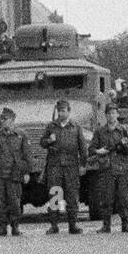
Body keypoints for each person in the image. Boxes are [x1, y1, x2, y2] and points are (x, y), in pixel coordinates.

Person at [41, 97, 87, 235]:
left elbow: (82, 147)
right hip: (55, 166)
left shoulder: (76, 127)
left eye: (64, 111)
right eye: (59, 111)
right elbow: (42, 143)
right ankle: (54, 225)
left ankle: (72, 225)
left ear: (69, 111)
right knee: (55, 195)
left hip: (71, 166)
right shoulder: (51, 126)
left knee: (72, 196)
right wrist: (50, 140)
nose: (61, 114)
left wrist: (83, 164)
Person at [90, 105, 128, 233]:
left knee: (123, 198)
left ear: (117, 114)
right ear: (106, 115)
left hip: (122, 168)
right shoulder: (100, 132)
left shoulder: (124, 130)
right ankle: (106, 225)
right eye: (109, 113)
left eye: (114, 113)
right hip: (107, 168)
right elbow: (91, 149)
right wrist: (101, 151)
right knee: (106, 197)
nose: (111, 116)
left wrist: (124, 147)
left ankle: (125, 224)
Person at [0, 108, 30, 236]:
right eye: (2, 119)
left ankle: (15, 227)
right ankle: (2, 227)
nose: (3, 122)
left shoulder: (21, 135)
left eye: (6, 119)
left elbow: (27, 155)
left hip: (14, 173)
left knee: (15, 202)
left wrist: (27, 172)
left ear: (12, 120)